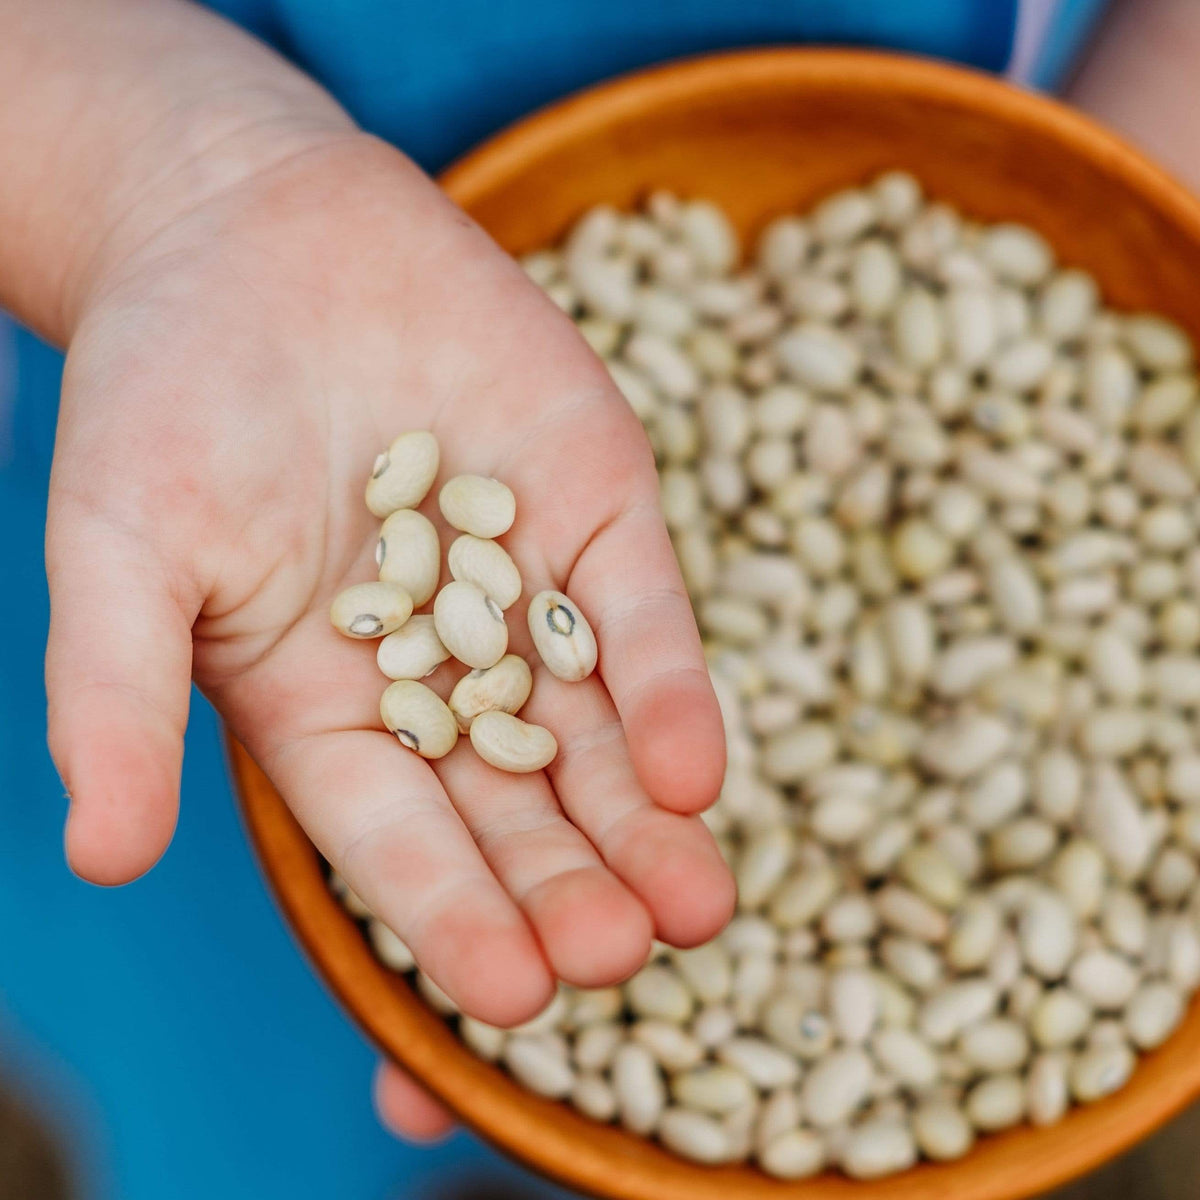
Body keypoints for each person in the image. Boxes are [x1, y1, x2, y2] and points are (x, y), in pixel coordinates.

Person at [1, 0, 1195, 1155]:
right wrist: (161, 181)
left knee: (494, 929)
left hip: (944, 105)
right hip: (225, 404)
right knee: (215, 1013)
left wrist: (1099, 196)